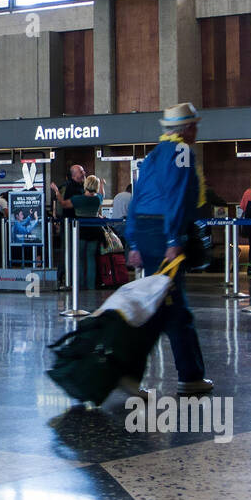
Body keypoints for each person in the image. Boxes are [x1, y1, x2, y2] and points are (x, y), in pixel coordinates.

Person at [123, 102, 212, 397]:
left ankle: (186, 375)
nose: (197, 131)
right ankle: (186, 376)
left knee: (162, 303)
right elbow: (176, 196)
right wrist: (174, 238)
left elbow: (136, 199)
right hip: (164, 232)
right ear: (186, 129)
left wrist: (134, 241)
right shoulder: (182, 152)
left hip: (146, 231)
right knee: (171, 306)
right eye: (194, 125)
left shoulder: (153, 155)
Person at [72, 175, 103, 288]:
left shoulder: (77, 199)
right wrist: (102, 185)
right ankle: (91, 285)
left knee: (80, 258)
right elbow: (101, 194)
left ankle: (80, 284)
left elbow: (65, 204)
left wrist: (57, 193)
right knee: (91, 258)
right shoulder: (98, 199)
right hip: (94, 230)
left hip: (80, 230)